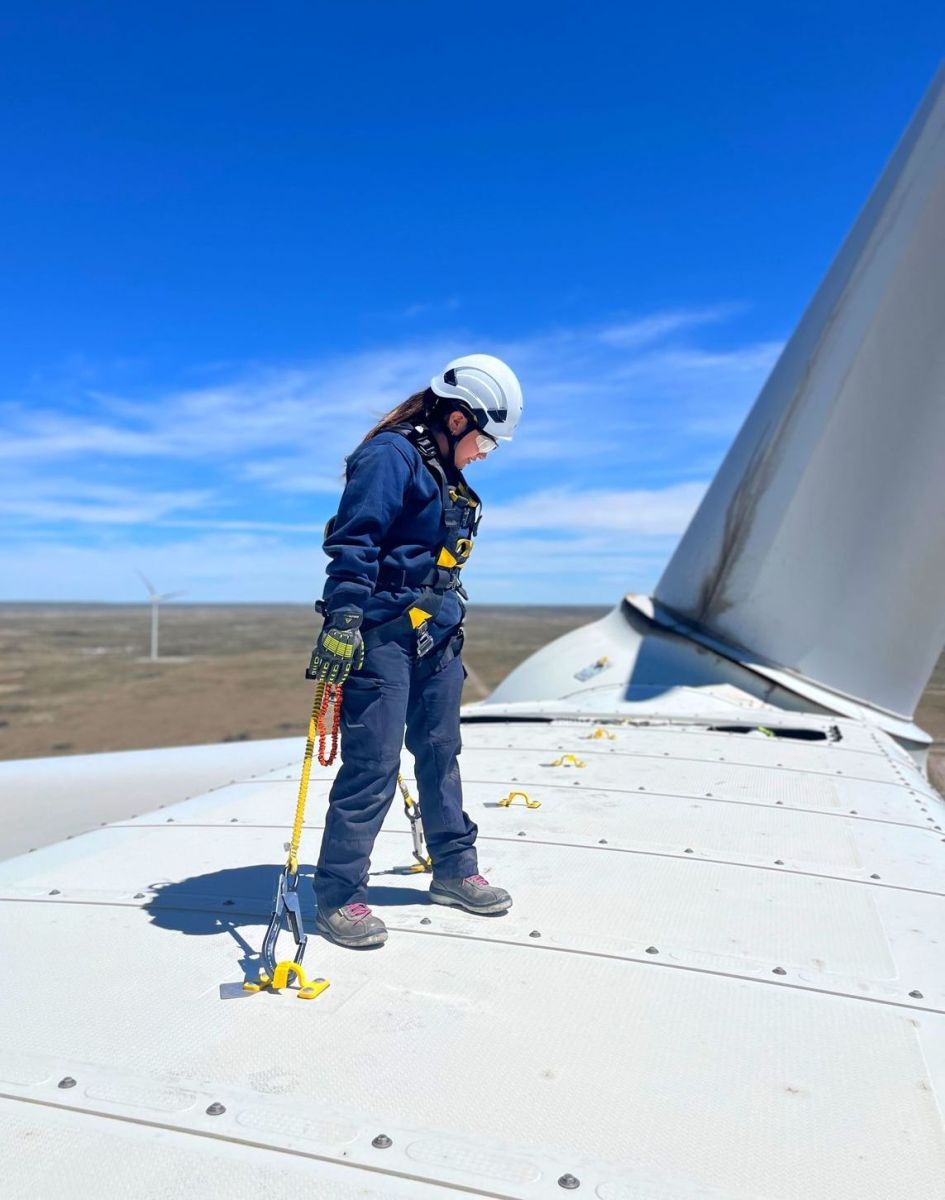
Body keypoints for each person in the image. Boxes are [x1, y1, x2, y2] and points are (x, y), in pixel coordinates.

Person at [306, 353, 524, 947]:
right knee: (373, 766)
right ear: (457, 419)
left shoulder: (441, 469)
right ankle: (340, 895)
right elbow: (356, 540)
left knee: (439, 752)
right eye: (486, 440)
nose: (485, 453)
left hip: (438, 634)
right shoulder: (389, 457)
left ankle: (454, 869)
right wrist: (344, 618)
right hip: (384, 638)